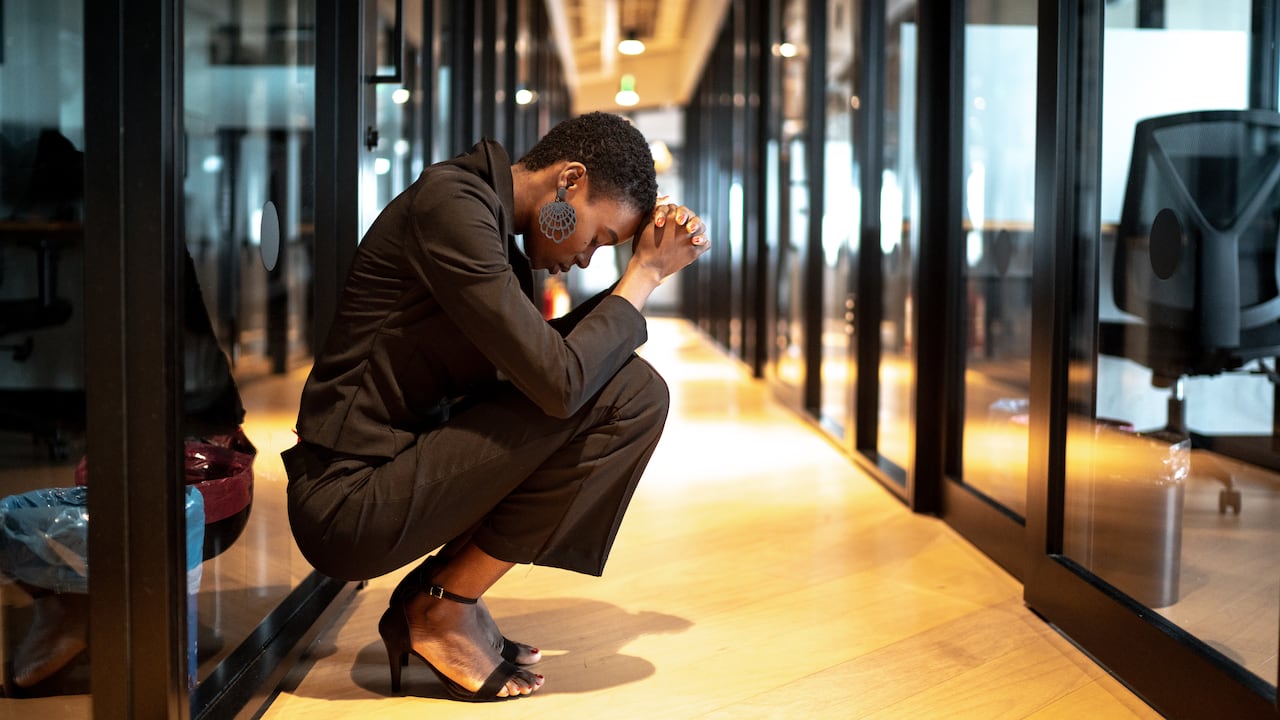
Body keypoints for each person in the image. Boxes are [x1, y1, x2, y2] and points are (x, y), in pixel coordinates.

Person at [281, 111, 709, 702]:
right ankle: (441, 608)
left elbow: (548, 369)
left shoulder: (487, 224)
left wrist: (641, 267)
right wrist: (645, 275)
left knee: (631, 389)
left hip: (397, 471)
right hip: (347, 500)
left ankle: (445, 596)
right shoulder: (452, 210)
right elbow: (560, 383)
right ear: (570, 181)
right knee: (629, 393)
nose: (587, 258)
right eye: (600, 238)